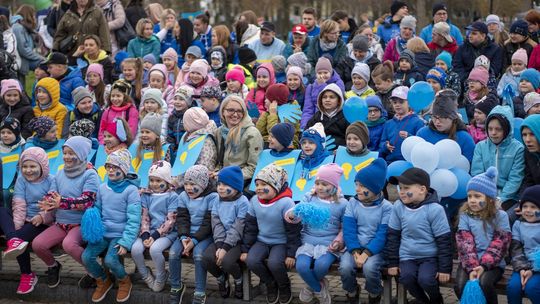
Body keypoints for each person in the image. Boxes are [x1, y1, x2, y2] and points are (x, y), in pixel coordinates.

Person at [32, 136, 99, 289]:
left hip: (80, 224)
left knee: (69, 245)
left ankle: (95, 272)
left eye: (71, 153)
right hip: (61, 222)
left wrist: (62, 202)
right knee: (38, 244)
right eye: (65, 153)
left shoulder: (90, 174)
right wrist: (48, 202)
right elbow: (52, 192)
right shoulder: (60, 173)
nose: (67, 157)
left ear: (81, 154)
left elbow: (88, 201)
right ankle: (53, 266)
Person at [81, 149, 141, 303]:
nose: (111, 170)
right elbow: (99, 210)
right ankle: (103, 280)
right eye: (109, 167)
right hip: (103, 233)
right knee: (87, 257)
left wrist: (126, 242)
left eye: (115, 167)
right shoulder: (102, 187)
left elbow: (134, 219)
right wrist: (92, 223)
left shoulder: (131, 190)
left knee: (110, 260)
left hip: (119, 235)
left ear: (124, 169)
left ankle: (124, 280)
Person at [386, 167, 452, 304]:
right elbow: (393, 236)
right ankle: (423, 301)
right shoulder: (398, 206)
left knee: (426, 279)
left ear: (422, 189)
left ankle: (436, 299)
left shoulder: (435, 209)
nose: (401, 192)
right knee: (406, 277)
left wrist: (444, 269)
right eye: (400, 188)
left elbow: (444, 241)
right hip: (407, 256)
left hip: (429, 257)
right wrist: (392, 262)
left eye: (406, 188)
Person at [285, 163, 347, 304]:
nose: (319, 187)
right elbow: (297, 213)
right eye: (318, 183)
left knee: (321, 266)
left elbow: (344, 228)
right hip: (307, 241)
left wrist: (338, 241)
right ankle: (319, 288)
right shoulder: (309, 198)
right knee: (301, 266)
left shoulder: (342, 204)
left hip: (328, 244)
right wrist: (292, 214)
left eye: (324, 184)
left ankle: (309, 288)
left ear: (334, 186)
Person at [242, 164, 301, 304]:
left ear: (275, 186)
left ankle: (284, 285)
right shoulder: (254, 201)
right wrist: (246, 249)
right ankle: (270, 283)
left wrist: (291, 253)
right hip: (262, 240)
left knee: (275, 263)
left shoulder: (286, 203)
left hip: (281, 242)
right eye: (257, 184)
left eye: (264, 184)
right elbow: (251, 227)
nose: (259, 188)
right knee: (251, 260)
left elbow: (293, 231)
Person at [0, 147, 55, 294]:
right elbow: (19, 204)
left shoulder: (51, 180)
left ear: (42, 166)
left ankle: (27, 274)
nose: (28, 170)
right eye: (24, 166)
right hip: (23, 218)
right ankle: (14, 239)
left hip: (43, 221)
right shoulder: (21, 180)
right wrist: (17, 228)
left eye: (32, 166)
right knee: (2, 211)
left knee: (19, 239)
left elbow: (53, 206)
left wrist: (42, 216)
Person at [454, 167, 512, 304]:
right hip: (469, 261)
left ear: (490, 199)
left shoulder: (501, 216)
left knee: (484, 283)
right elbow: (464, 243)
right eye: (469, 196)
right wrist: (472, 266)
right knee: (460, 285)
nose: (472, 200)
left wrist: (484, 266)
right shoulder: (465, 215)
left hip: (493, 263)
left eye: (477, 196)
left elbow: (500, 243)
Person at [340, 158, 391, 304]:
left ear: (375, 188)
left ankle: (374, 293)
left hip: (376, 250)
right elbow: (349, 229)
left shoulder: (387, 208)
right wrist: (355, 251)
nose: (357, 189)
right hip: (354, 246)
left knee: (370, 268)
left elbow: (382, 234)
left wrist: (367, 253)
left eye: (362, 186)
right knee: (345, 267)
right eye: (356, 184)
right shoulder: (353, 202)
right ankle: (352, 290)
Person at [169, 165, 217, 303]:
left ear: (202, 184)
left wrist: (194, 241)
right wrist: (183, 237)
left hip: (205, 235)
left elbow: (208, 223)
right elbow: (182, 219)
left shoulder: (212, 197)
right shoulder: (183, 196)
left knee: (198, 255)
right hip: (187, 234)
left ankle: (200, 292)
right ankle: (176, 287)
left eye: (193, 184)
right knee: (173, 253)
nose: (188, 188)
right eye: (186, 184)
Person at [202, 166, 249, 299]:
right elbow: (216, 224)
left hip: (238, 241)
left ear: (236, 187)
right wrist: (219, 245)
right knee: (206, 258)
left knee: (228, 261)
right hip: (222, 240)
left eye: (225, 184)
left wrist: (225, 248)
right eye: (219, 184)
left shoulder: (243, 202)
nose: (221, 187)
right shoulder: (216, 200)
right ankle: (221, 278)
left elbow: (238, 227)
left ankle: (238, 280)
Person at [472, 106, 525, 223]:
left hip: (510, 197)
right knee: (472, 217)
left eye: (498, 129)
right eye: (490, 128)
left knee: (502, 219)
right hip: (484, 194)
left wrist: (501, 199)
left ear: (507, 129)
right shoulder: (481, 146)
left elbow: (515, 178)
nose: (493, 133)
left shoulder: (518, 148)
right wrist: (488, 196)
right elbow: (477, 173)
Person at [131, 161, 178, 292]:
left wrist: (155, 235)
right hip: (148, 231)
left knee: (155, 250)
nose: (154, 184)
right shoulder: (146, 195)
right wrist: (146, 234)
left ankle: (161, 276)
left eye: (158, 180)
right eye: (151, 180)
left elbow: (171, 220)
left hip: (167, 233)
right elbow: (144, 216)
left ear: (167, 181)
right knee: (135, 249)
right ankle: (145, 275)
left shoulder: (172, 196)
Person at [213, 95, 263, 187]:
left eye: (239, 111)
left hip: (241, 181)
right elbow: (219, 163)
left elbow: (254, 167)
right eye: (231, 110)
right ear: (223, 111)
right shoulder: (219, 132)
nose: (235, 114)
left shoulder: (252, 133)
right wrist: (216, 172)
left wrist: (229, 176)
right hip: (222, 179)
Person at [506, 185, 540, 304]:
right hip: (523, 265)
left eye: (533, 207)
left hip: (538, 267)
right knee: (513, 288)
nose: (528, 210)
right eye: (525, 206)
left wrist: (533, 269)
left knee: (532, 288)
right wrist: (522, 268)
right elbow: (516, 249)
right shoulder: (518, 224)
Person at [378, 86, 424, 163]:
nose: (397, 105)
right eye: (395, 102)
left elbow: (421, 145)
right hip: (390, 162)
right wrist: (386, 146)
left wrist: (409, 137)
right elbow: (382, 143)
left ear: (409, 103)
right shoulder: (388, 124)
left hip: (408, 163)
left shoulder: (417, 122)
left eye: (401, 102)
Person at [300, 57, 345, 129]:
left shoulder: (338, 83)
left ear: (330, 72)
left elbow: (337, 105)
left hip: (333, 123)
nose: (322, 75)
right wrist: (305, 127)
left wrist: (322, 85)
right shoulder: (311, 87)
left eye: (325, 72)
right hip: (315, 122)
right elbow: (308, 110)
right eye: (319, 73)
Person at [256, 83, 301, 148]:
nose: (265, 101)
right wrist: (266, 112)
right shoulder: (271, 110)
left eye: (267, 98)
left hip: (287, 145)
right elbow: (258, 131)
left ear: (275, 101)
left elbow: (277, 135)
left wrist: (273, 114)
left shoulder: (290, 112)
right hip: (271, 141)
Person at [305, 83, 350, 148]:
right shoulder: (316, 117)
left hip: (340, 153)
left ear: (339, 101)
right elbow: (306, 135)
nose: (327, 100)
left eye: (332, 97)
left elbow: (352, 138)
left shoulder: (346, 117)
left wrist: (343, 150)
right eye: (324, 97)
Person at [11, 5, 45, 83]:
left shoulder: (25, 27)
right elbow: (23, 50)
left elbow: (31, 46)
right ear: (28, 15)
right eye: (33, 15)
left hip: (24, 59)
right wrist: (40, 58)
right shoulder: (18, 27)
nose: (34, 17)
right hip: (20, 60)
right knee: (44, 64)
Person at [520, 114, 540, 191]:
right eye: (524, 135)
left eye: (532, 134)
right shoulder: (528, 153)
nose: (527, 140)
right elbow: (528, 180)